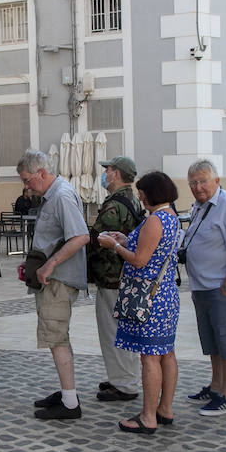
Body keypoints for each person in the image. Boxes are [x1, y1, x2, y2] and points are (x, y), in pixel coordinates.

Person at [99, 171, 183, 434]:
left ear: (150, 193)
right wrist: (126, 240)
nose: (139, 196)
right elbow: (152, 250)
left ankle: (148, 417)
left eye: (141, 192)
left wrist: (113, 246)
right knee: (166, 353)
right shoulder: (171, 217)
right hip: (165, 293)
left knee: (150, 358)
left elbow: (139, 260)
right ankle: (164, 409)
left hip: (149, 298)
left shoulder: (155, 220)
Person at [18, 149, 91, 421]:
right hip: (52, 278)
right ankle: (66, 393)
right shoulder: (53, 195)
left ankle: (70, 402)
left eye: (27, 180)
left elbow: (80, 236)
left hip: (59, 280)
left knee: (56, 336)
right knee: (57, 337)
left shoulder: (61, 196)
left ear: (42, 173)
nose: (26, 186)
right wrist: (36, 262)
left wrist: (49, 265)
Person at [182, 159, 226, 417]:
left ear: (216, 181)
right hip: (201, 286)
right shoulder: (199, 207)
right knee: (212, 342)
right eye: (193, 183)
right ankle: (215, 386)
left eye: (203, 181)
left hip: (221, 288)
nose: (198, 187)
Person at [88, 155, 144, 403]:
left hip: (113, 276)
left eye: (107, 170)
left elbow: (98, 238)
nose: (104, 174)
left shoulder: (115, 204)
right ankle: (122, 376)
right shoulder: (130, 198)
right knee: (122, 331)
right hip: (122, 275)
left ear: (117, 173)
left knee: (113, 332)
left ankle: (124, 383)